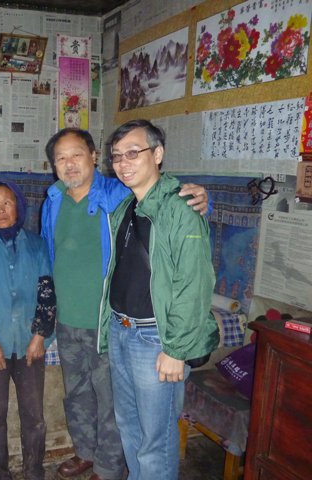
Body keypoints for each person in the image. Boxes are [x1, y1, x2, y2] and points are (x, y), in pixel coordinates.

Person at [41, 127, 209, 480]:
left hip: (126, 327)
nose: (69, 164)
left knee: (128, 417)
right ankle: (88, 453)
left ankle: (107, 467)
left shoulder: (117, 194)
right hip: (97, 322)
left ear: (93, 157)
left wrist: (197, 195)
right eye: (60, 158)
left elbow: (191, 277)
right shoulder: (57, 199)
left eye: (76, 155)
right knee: (95, 404)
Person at [101, 119, 219, 479]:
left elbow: (194, 284)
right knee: (130, 428)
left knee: (156, 440)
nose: (123, 163)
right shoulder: (127, 206)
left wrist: (176, 350)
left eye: (133, 153)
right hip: (122, 330)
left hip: (156, 339)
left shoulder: (180, 208)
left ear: (158, 154)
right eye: (116, 156)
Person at [0, 181, 56, 480]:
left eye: (7, 202)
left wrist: (40, 336)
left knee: (34, 416)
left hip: (31, 344)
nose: (1, 209)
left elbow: (47, 291)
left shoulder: (37, 245)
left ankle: (34, 471)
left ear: (18, 205)